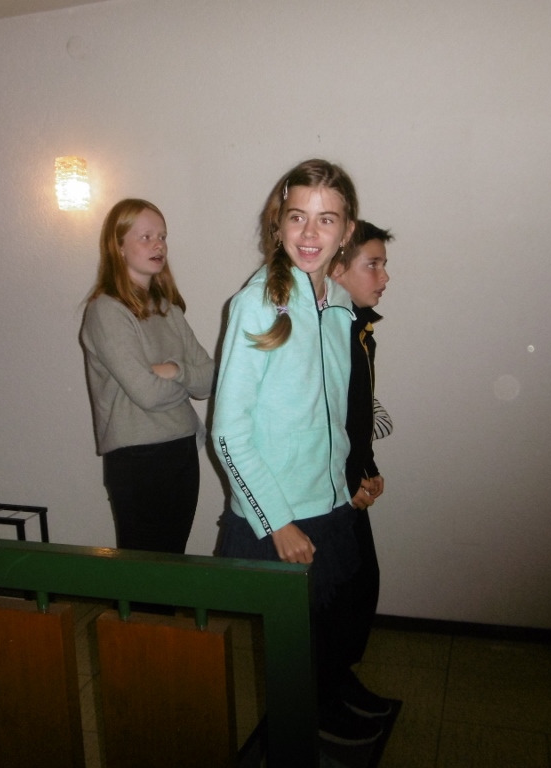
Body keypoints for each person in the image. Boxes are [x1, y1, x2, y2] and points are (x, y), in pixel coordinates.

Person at [212, 159, 383, 746]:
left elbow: (331, 413)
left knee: (326, 633)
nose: (310, 234)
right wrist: (277, 522)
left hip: (328, 504)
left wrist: (350, 478)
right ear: (279, 222)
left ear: (347, 229)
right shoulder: (258, 302)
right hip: (278, 514)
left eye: (326, 219)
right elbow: (228, 433)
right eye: (297, 217)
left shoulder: (338, 302)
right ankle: (300, 733)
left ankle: (323, 711)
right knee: (291, 653)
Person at [80, 198, 214, 556]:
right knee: (144, 571)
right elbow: (147, 394)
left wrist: (174, 370)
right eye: (146, 237)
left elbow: (210, 379)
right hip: (138, 459)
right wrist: (182, 380)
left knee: (172, 561)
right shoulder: (106, 310)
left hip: (182, 449)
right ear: (119, 246)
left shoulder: (167, 308)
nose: (159, 245)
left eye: (162, 237)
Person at [330, 220, 394, 717]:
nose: (384, 277)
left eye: (383, 264)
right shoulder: (331, 333)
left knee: (361, 584)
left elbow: (356, 415)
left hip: (350, 479)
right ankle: (324, 695)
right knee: (339, 591)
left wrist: (367, 466)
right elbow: (321, 420)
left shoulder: (358, 329)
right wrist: (346, 481)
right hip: (328, 488)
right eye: (373, 265)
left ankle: (338, 679)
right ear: (337, 270)